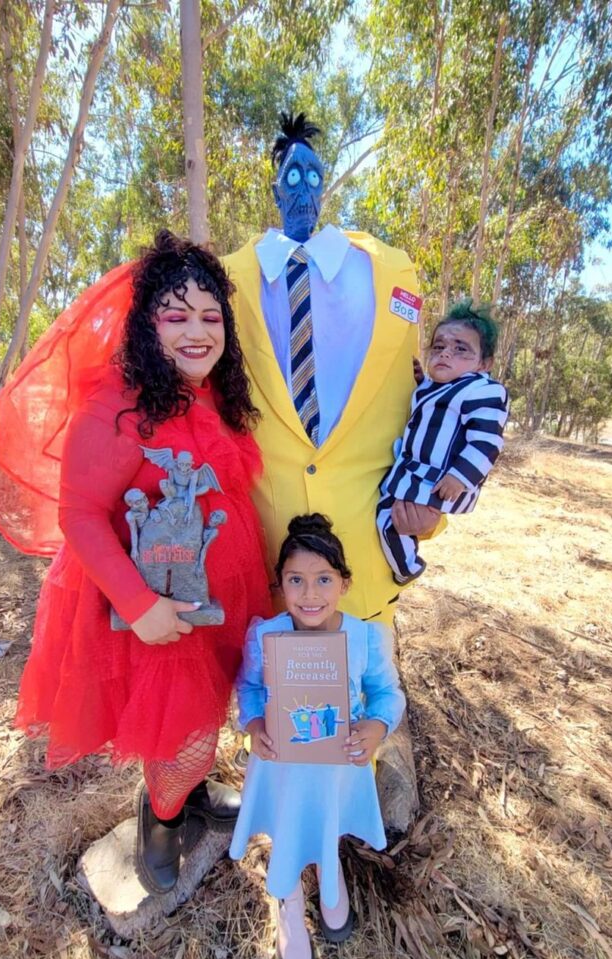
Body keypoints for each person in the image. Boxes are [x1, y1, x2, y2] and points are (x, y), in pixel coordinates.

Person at [0, 231, 272, 894]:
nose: (197, 331)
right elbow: (79, 516)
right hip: (153, 610)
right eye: (176, 314)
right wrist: (140, 607)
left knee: (207, 714)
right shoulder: (117, 406)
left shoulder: (214, 396)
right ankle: (160, 820)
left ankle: (186, 799)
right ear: (145, 324)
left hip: (217, 597)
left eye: (210, 316)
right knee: (179, 731)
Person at [225, 112, 444, 626]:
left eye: (314, 176)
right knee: (271, 705)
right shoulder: (229, 279)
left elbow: (420, 410)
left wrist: (429, 512)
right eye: (292, 176)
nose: (304, 188)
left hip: (363, 572)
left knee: (371, 704)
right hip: (267, 575)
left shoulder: (391, 273)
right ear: (275, 187)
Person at [229, 514, 405, 959]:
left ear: (344, 583)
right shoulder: (266, 637)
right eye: (297, 581)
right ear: (281, 585)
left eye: (324, 579)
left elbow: (389, 695)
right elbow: (246, 687)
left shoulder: (365, 638)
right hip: (283, 768)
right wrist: (253, 722)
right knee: (289, 826)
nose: (311, 594)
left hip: (336, 769)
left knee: (325, 821)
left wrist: (376, 724)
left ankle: (331, 876)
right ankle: (287, 898)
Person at [377, 300, 510, 584]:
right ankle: (407, 565)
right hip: (414, 473)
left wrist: (460, 477)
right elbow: (435, 406)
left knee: (390, 521)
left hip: (438, 482)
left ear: (484, 363)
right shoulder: (441, 385)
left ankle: (408, 568)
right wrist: (419, 380)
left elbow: (487, 442)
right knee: (385, 519)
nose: (445, 353)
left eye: (460, 349)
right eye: (438, 347)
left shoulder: (483, 390)